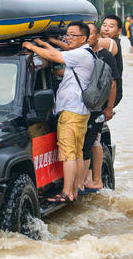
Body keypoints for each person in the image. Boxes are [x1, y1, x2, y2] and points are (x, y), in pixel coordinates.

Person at [22, 21, 94, 203]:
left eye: (72, 35)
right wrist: (43, 42)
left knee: (69, 154)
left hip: (71, 111)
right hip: (79, 111)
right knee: (76, 153)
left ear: (83, 38)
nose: (68, 38)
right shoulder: (84, 54)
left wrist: (31, 46)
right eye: (67, 35)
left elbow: (53, 55)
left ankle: (67, 193)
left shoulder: (80, 55)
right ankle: (75, 189)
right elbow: (56, 53)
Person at [81, 23, 119, 193]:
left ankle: (94, 179)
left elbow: (113, 82)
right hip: (82, 106)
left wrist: (109, 107)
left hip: (99, 107)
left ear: (98, 37)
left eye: (89, 34)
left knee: (93, 141)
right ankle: (88, 178)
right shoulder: (81, 54)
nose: (86, 37)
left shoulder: (106, 56)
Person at [99, 14, 123, 111]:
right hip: (106, 93)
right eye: (104, 25)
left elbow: (84, 42)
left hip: (110, 96)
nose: (106, 29)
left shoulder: (111, 43)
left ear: (119, 31)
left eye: (111, 26)